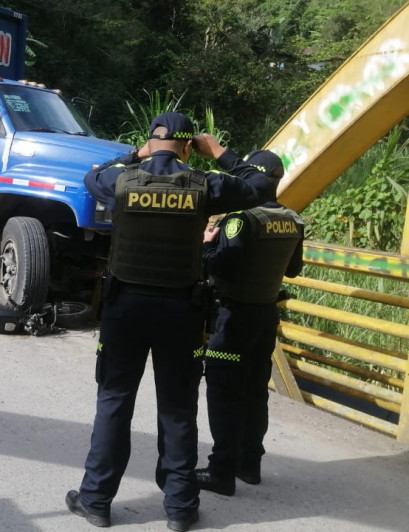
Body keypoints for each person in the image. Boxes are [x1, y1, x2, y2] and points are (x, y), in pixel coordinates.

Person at [65, 112, 278, 532]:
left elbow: (91, 177)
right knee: (178, 409)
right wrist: (219, 152)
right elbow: (261, 186)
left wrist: (135, 154)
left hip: (125, 309)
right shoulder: (205, 185)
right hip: (181, 311)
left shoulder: (121, 180)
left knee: (114, 402)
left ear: (151, 142)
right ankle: (180, 507)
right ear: (188, 147)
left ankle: (96, 501)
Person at [194, 150, 304, 496]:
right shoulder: (293, 219)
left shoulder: (241, 219)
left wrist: (205, 246)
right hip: (266, 318)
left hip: (233, 318)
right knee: (255, 392)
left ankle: (220, 471)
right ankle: (249, 464)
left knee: (224, 391)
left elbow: (221, 266)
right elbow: (293, 270)